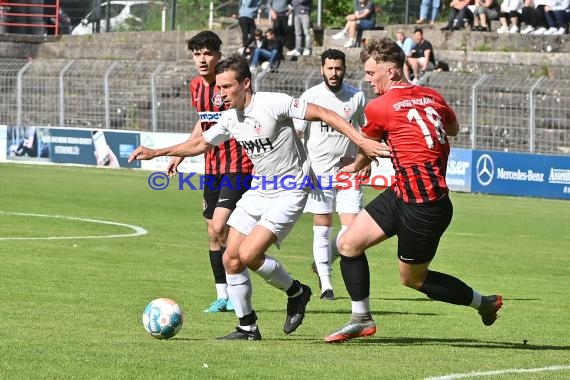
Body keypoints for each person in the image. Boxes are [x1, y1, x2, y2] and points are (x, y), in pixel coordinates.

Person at [129, 54, 389, 340]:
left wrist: (361, 141)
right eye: (218, 87)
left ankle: (297, 292)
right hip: (260, 189)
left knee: (250, 254)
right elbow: (201, 143)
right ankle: (247, 326)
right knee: (231, 258)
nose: (220, 94)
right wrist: (157, 152)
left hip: (292, 188)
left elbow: (324, 113)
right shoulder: (229, 118)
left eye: (227, 87)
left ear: (246, 84)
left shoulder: (272, 103)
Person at [323, 37, 503, 343]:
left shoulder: (380, 107)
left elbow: (366, 146)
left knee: (412, 280)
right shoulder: (432, 95)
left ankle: (483, 303)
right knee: (349, 244)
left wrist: (356, 166)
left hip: (425, 207)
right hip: (402, 193)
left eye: (370, 73)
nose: (367, 80)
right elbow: (453, 130)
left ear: (391, 71)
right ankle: (361, 319)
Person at [168, 31, 254, 313]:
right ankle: (224, 295)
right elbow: (204, 125)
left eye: (207, 53)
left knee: (221, 227)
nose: (202, 59)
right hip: (212, 167)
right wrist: (181, 153)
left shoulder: (227, 85)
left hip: (238, 166)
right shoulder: (196, 86)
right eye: (197, 54)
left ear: (217, 55)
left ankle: (239, 282)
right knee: (212, 232)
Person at [294, 49, 368, 301]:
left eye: (338, 68)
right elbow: (297, 135)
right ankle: (326, 285)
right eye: (329, 68)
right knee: (322, 227)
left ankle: (323, 261)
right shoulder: (311, 97)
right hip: (318, 173)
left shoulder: (356, 97)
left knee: (354, 230)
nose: (334, 73)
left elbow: (365, 131)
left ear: (344, 69)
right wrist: (303, 168)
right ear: (322, 69)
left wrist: (364, 159)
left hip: (348, 172)